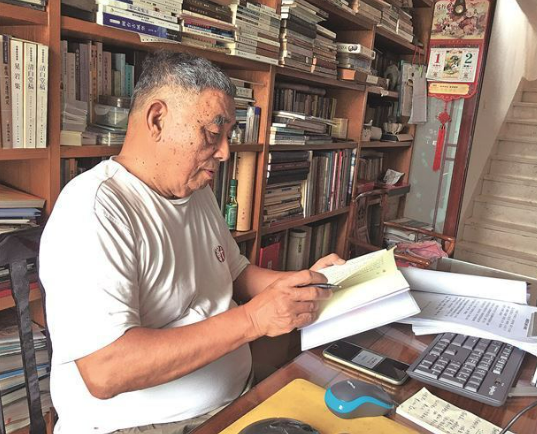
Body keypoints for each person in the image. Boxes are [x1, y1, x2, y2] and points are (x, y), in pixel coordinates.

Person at [39, 51, 344, 434]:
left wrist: (304, 283)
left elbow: (234, 273)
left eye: (228, 135)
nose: (225, 151)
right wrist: (253, 319)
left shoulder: (195, 190)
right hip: (142, 426)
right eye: (213, 134)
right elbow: (106, 370)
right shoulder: (95, 208)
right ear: (157, 119)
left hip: (232, 398)